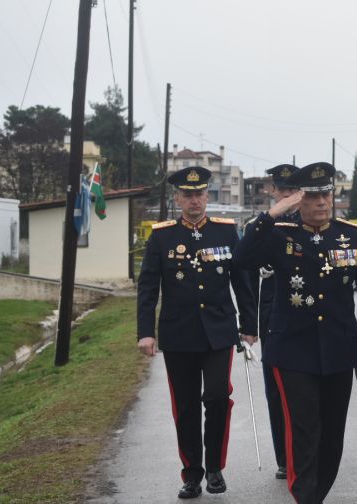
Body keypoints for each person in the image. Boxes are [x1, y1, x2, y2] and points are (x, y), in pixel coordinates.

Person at [232, 162, 357, 504]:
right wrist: (272, 215)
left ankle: (316, 494)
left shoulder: (352, 235)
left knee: (332, 436)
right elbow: (241, 259)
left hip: (338, 349)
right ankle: (305, 497)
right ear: (298, 200)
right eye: (313, 196)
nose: (321, 202)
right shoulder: (279, 234)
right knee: (304, 429)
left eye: (326, 194)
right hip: (292, 350)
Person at [137, 166, 257, 499]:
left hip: (219, 332)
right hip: (178, 334)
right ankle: (192, 474)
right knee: (186, 406)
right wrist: (145, 332)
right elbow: (148, 288)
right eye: (188, 195)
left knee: (217, 397)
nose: (195, 200)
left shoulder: (226, 232)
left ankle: (215, 467)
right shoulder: (162, 236)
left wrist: (250, 325)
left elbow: (242, 282)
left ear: (207, 196)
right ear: (177, 199)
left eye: (200, 194)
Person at [247, 163, 299, 480]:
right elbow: (245, 273)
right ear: (274, 192)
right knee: (277, 391)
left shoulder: (313, 224)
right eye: (283, 190)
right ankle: (284, 457)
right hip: (273, 319)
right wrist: (249, 324)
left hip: (307, 318)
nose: (289, 196)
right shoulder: (262, 226)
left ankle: (307, 452)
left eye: (294, 190)